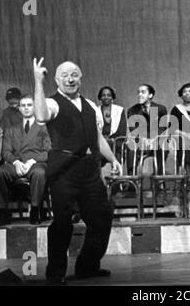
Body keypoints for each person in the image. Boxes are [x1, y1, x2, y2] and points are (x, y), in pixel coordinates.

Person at [32, 57, 122, 285]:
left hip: (89, 171)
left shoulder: (91, 105)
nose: (70, 79)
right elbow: (41, 116)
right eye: (64, 75)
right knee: (62, 222)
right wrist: (38, 83)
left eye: (74, 75)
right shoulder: (52, 103)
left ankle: (88, 267)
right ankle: (55, 274)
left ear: (81, 78)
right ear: (56, 80)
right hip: (63, 171)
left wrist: (112, 159)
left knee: (102, 218)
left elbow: (97, 137)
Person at [0, 94, 51, 226]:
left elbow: (49, 151)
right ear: (19, 108)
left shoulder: (44, 127)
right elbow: (6, 152)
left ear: (35, 107)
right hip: (16, 164)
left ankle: (35, 209)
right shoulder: (11, 129)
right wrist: (16, 162)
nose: (26, 108)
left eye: (29, 105)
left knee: (40, 173)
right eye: (23, 105)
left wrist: (32, 161)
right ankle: (2, 211)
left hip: (36, 164)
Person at [127, 84, 168, 175]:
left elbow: (163, 127)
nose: (139, 95)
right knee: (130, 147)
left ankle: (158, 177)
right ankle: (132, 178)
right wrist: (143, 139)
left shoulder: (161, 109)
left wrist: (155, 139)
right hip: (140, 142)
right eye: (138, 92)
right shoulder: (132, 110)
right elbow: (133, 129)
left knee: (163, 146)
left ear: (150, 95)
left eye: (143, 92)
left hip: (156, 140)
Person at [168, 83, 190, 173]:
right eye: (184, 91)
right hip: (182, 138)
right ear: (181, 95)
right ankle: (187, 173)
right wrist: (185, 134)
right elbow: (172, 128)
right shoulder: (176, 109)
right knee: (185, 144)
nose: (187, 93)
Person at [97, 86, 127, 161]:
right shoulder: (95, 110)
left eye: (109, 95)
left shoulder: (119, 110)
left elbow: (122, 129)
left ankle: (116, 169)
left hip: (116, 140)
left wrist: (111, 139)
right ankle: (98, 171)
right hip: (100, 140)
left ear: (112, 97)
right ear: (100, 98)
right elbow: (93, 129)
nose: (106, 97)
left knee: (116, 145)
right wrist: (103, 139)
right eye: (103, 95)